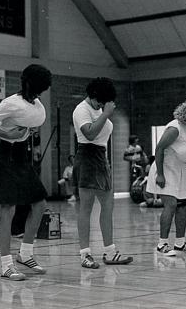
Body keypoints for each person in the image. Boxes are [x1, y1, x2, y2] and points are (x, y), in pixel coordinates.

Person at [0, 64, 52, 281]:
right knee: (7, 210)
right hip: (7, 155)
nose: (40, 93)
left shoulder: (35, 103)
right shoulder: (10, 103)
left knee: (40, 204)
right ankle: (6, 265)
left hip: (22, 156)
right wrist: (5, 133)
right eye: (39, 88)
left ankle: (25, 254)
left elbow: (32, 123)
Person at [72, 77, 133, 268]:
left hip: (100, 157)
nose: (101, 104)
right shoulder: (81, 109)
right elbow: (89, 133)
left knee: (108, 205)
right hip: (87, 156)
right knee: (86, 207)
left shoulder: (99, 108)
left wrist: (103, 113)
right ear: (93, 95)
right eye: (100, 100)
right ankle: (85, 254)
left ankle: (109, 251)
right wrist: (106, 114)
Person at [147, 97, 186, 256]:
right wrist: (160, 175)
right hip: (165, 170)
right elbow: (159, 149)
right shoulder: (175, 127)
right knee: (171, 205)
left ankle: (180, 243)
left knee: (183, 206)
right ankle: (162, 245)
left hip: (179, 171)